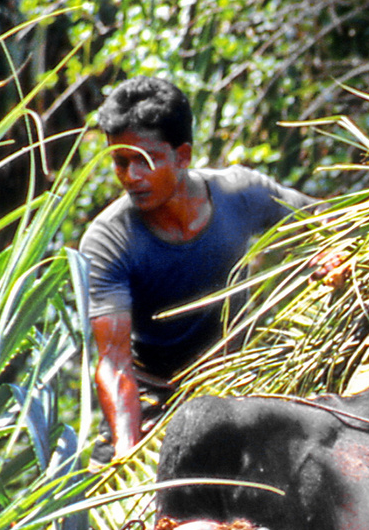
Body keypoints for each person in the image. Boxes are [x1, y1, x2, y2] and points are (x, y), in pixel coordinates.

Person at [79, 77, 313, 456]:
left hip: (238, 385)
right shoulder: (110, 239)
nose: (131, 177)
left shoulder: (241, 193)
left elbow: (324, 221)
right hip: (157, 400)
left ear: (182, 156)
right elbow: (115, 361)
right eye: (120, 162)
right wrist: (127, 446)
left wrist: (327, 254)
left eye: (145, 161)